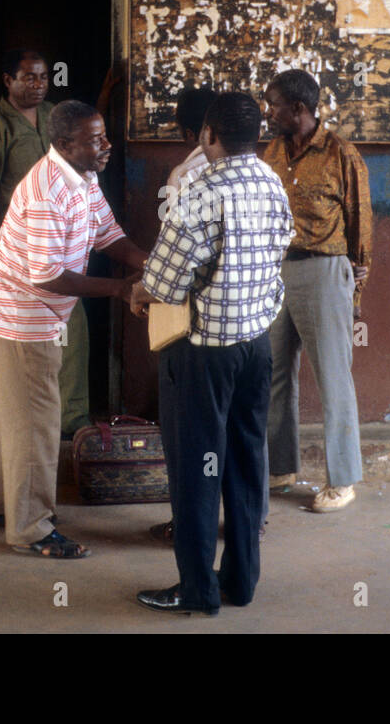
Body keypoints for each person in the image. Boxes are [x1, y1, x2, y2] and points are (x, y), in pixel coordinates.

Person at [130, 93, 294, 614]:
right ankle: (240, 582)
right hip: (255, 347)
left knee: (197, 470)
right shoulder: (271, 180)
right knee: (246, 464)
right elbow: (282, 245)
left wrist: (141, 290)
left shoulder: (200, 191)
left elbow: (165, 279)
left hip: (203, 354)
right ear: (257, 136)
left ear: (208, 135)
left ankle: (198, 591)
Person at [0, 100, 148, 558]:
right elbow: (47, 275)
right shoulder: (48, 191)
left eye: (104, 135)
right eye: (95, 140)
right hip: (21, 316)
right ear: (64, 144)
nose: (106, 145)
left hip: (24, 311)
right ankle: (30, 527)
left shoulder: (82, 175)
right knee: (37, 420)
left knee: (14, 413)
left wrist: (149, 266)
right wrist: (119, 290)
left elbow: (107, 232)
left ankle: (1, 506)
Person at [261, 69, 373, 513]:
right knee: (272, 373)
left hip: (325, 270)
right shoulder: (270, 152)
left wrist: (355, 298)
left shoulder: (341, 154)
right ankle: (280, 467)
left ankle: (342, 480)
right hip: (274, 271)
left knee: (332, 376)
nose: (267, 113)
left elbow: (361, 224)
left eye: (273, 105)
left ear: (299, 110)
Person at [0, 49, 90, 444]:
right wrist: (0, 252)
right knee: (19, 347)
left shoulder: (55, 117)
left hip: (55, 250)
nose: (38, 85)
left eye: (43, 77)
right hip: (14, 255)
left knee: (72, 332)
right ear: (8, 80)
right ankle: (25, 425)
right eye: (29, 77)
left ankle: (72, 417)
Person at [148, 87, 216, 544]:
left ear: (193, 132)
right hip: (244, 325)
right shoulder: (262, 174)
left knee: (188, 431)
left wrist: (144, 291)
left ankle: (190, 527)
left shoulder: (185, 176)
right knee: (234, 429)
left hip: (193, 321)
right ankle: (249, 519)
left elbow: (173, 261)